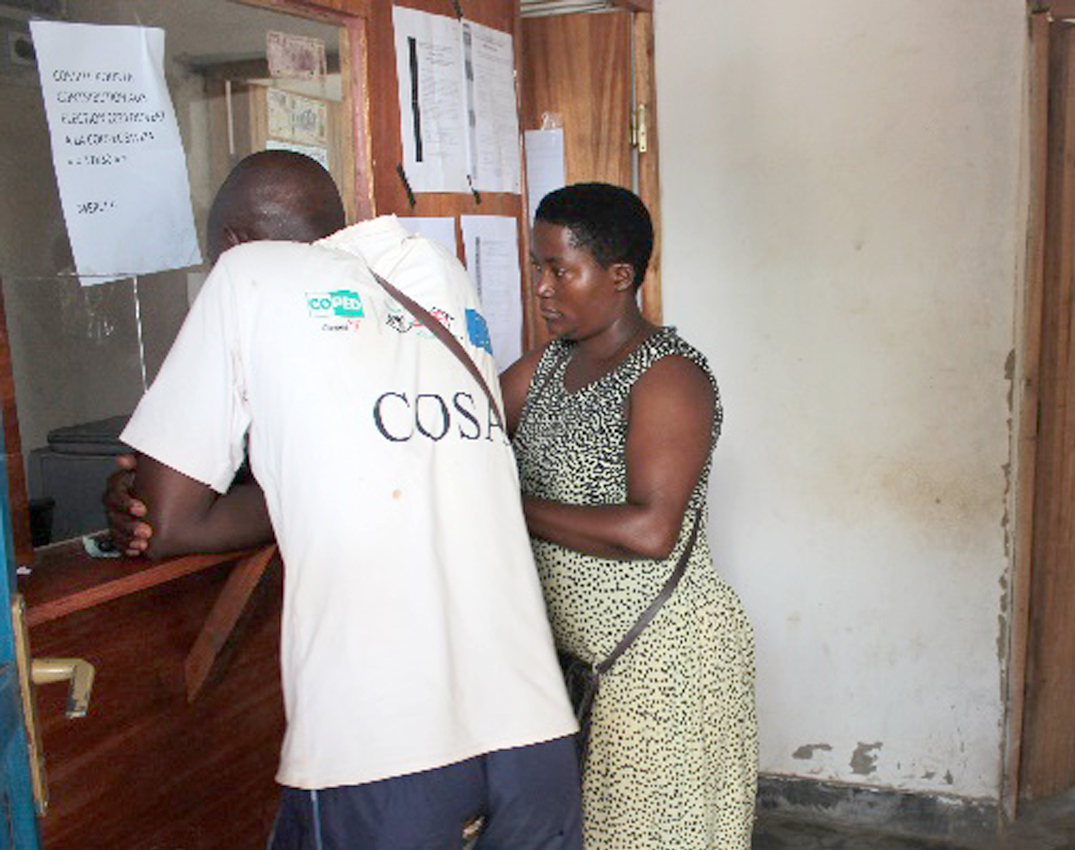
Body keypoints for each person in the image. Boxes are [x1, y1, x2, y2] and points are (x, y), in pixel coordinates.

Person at [112, 150, 582, 850]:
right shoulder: (438, 275)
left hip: (382, 748)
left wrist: (125, 491)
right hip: (535, 736)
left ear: (235, 244)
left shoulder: (247, 274)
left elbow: (168, 519)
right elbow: (375, 458)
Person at [500, 183, 758, 850]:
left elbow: (651, 530)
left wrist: (509, 506)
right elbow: (466, 431)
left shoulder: (668, 376)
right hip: (577, 667)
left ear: (618, 276)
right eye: (537, 267)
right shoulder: (545, 369)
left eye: (561, 269)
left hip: (660, 664)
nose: (543, 289)